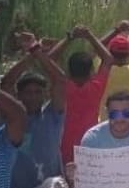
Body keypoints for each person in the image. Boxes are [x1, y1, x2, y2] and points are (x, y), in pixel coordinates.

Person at [2, 42, 69, 188]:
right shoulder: (12, 118)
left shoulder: (53, 115)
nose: (32, 96)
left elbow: (60, 80)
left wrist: (39, 55)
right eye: (27, 92)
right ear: (18, 96)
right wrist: (28, 59)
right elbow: (7, 82)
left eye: (37, 92)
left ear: (44, 95)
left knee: (55, 187)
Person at [46, 26, 113, 168]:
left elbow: (49, 59)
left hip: (63, 146)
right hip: (90, 145)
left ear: (69, 70)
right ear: (91, 71)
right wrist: (89, 35)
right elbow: (107, 59)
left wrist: (69, 38)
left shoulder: (62, 85)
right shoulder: (96, 87)